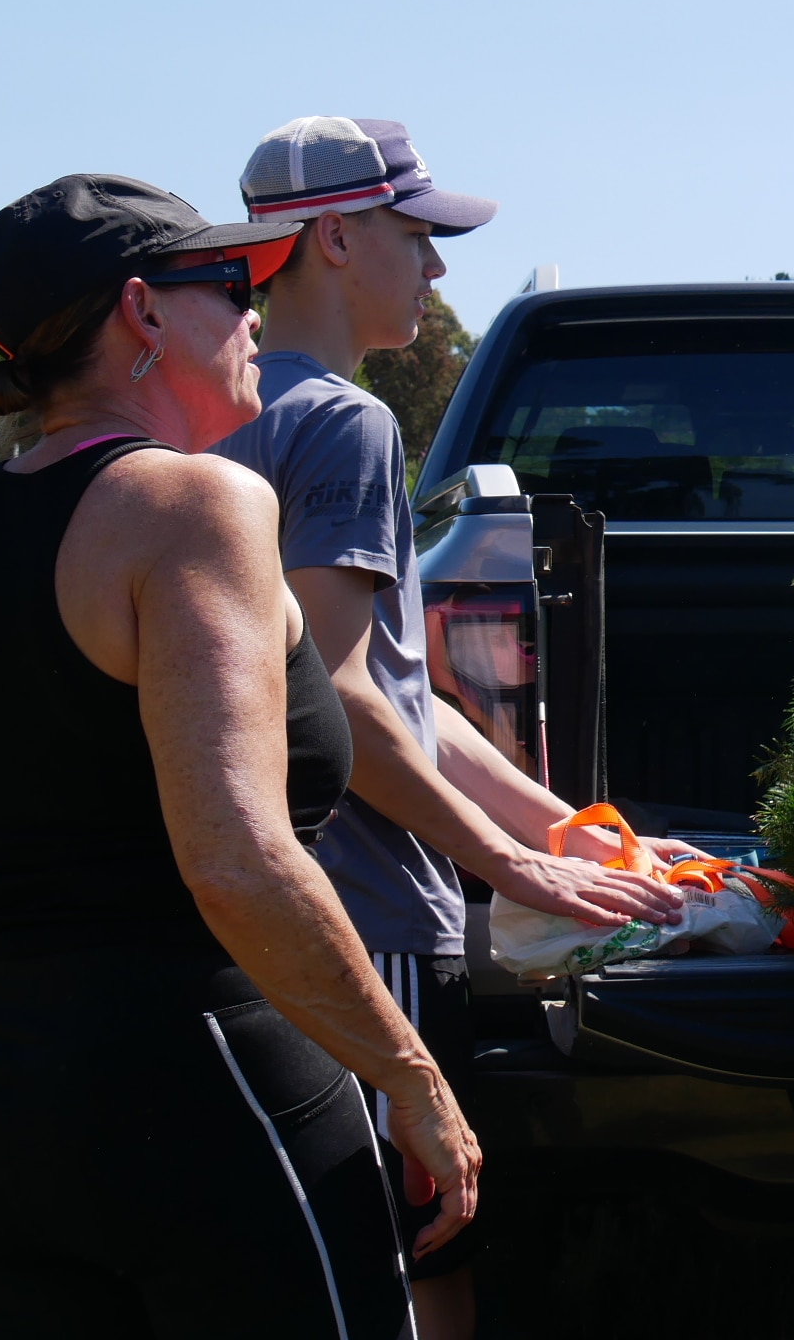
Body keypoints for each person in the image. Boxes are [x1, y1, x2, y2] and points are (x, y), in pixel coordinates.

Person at [0, 174, 478, 1338]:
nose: (256, 313)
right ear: (142, 313)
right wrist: (415, 1081)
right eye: (226, 284)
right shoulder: (196, 503)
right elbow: (235, 860)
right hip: (206, 1079)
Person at [213, 116, 683, 1339]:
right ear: (329, 237)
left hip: (237, 910)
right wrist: (513, 866)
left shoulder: (201, 412)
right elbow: (337, 695)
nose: (435, 269)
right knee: (418, 1255)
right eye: (416, 236)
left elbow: (402, 697)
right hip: (363, 919)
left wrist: (567, 829)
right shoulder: (343, 426)